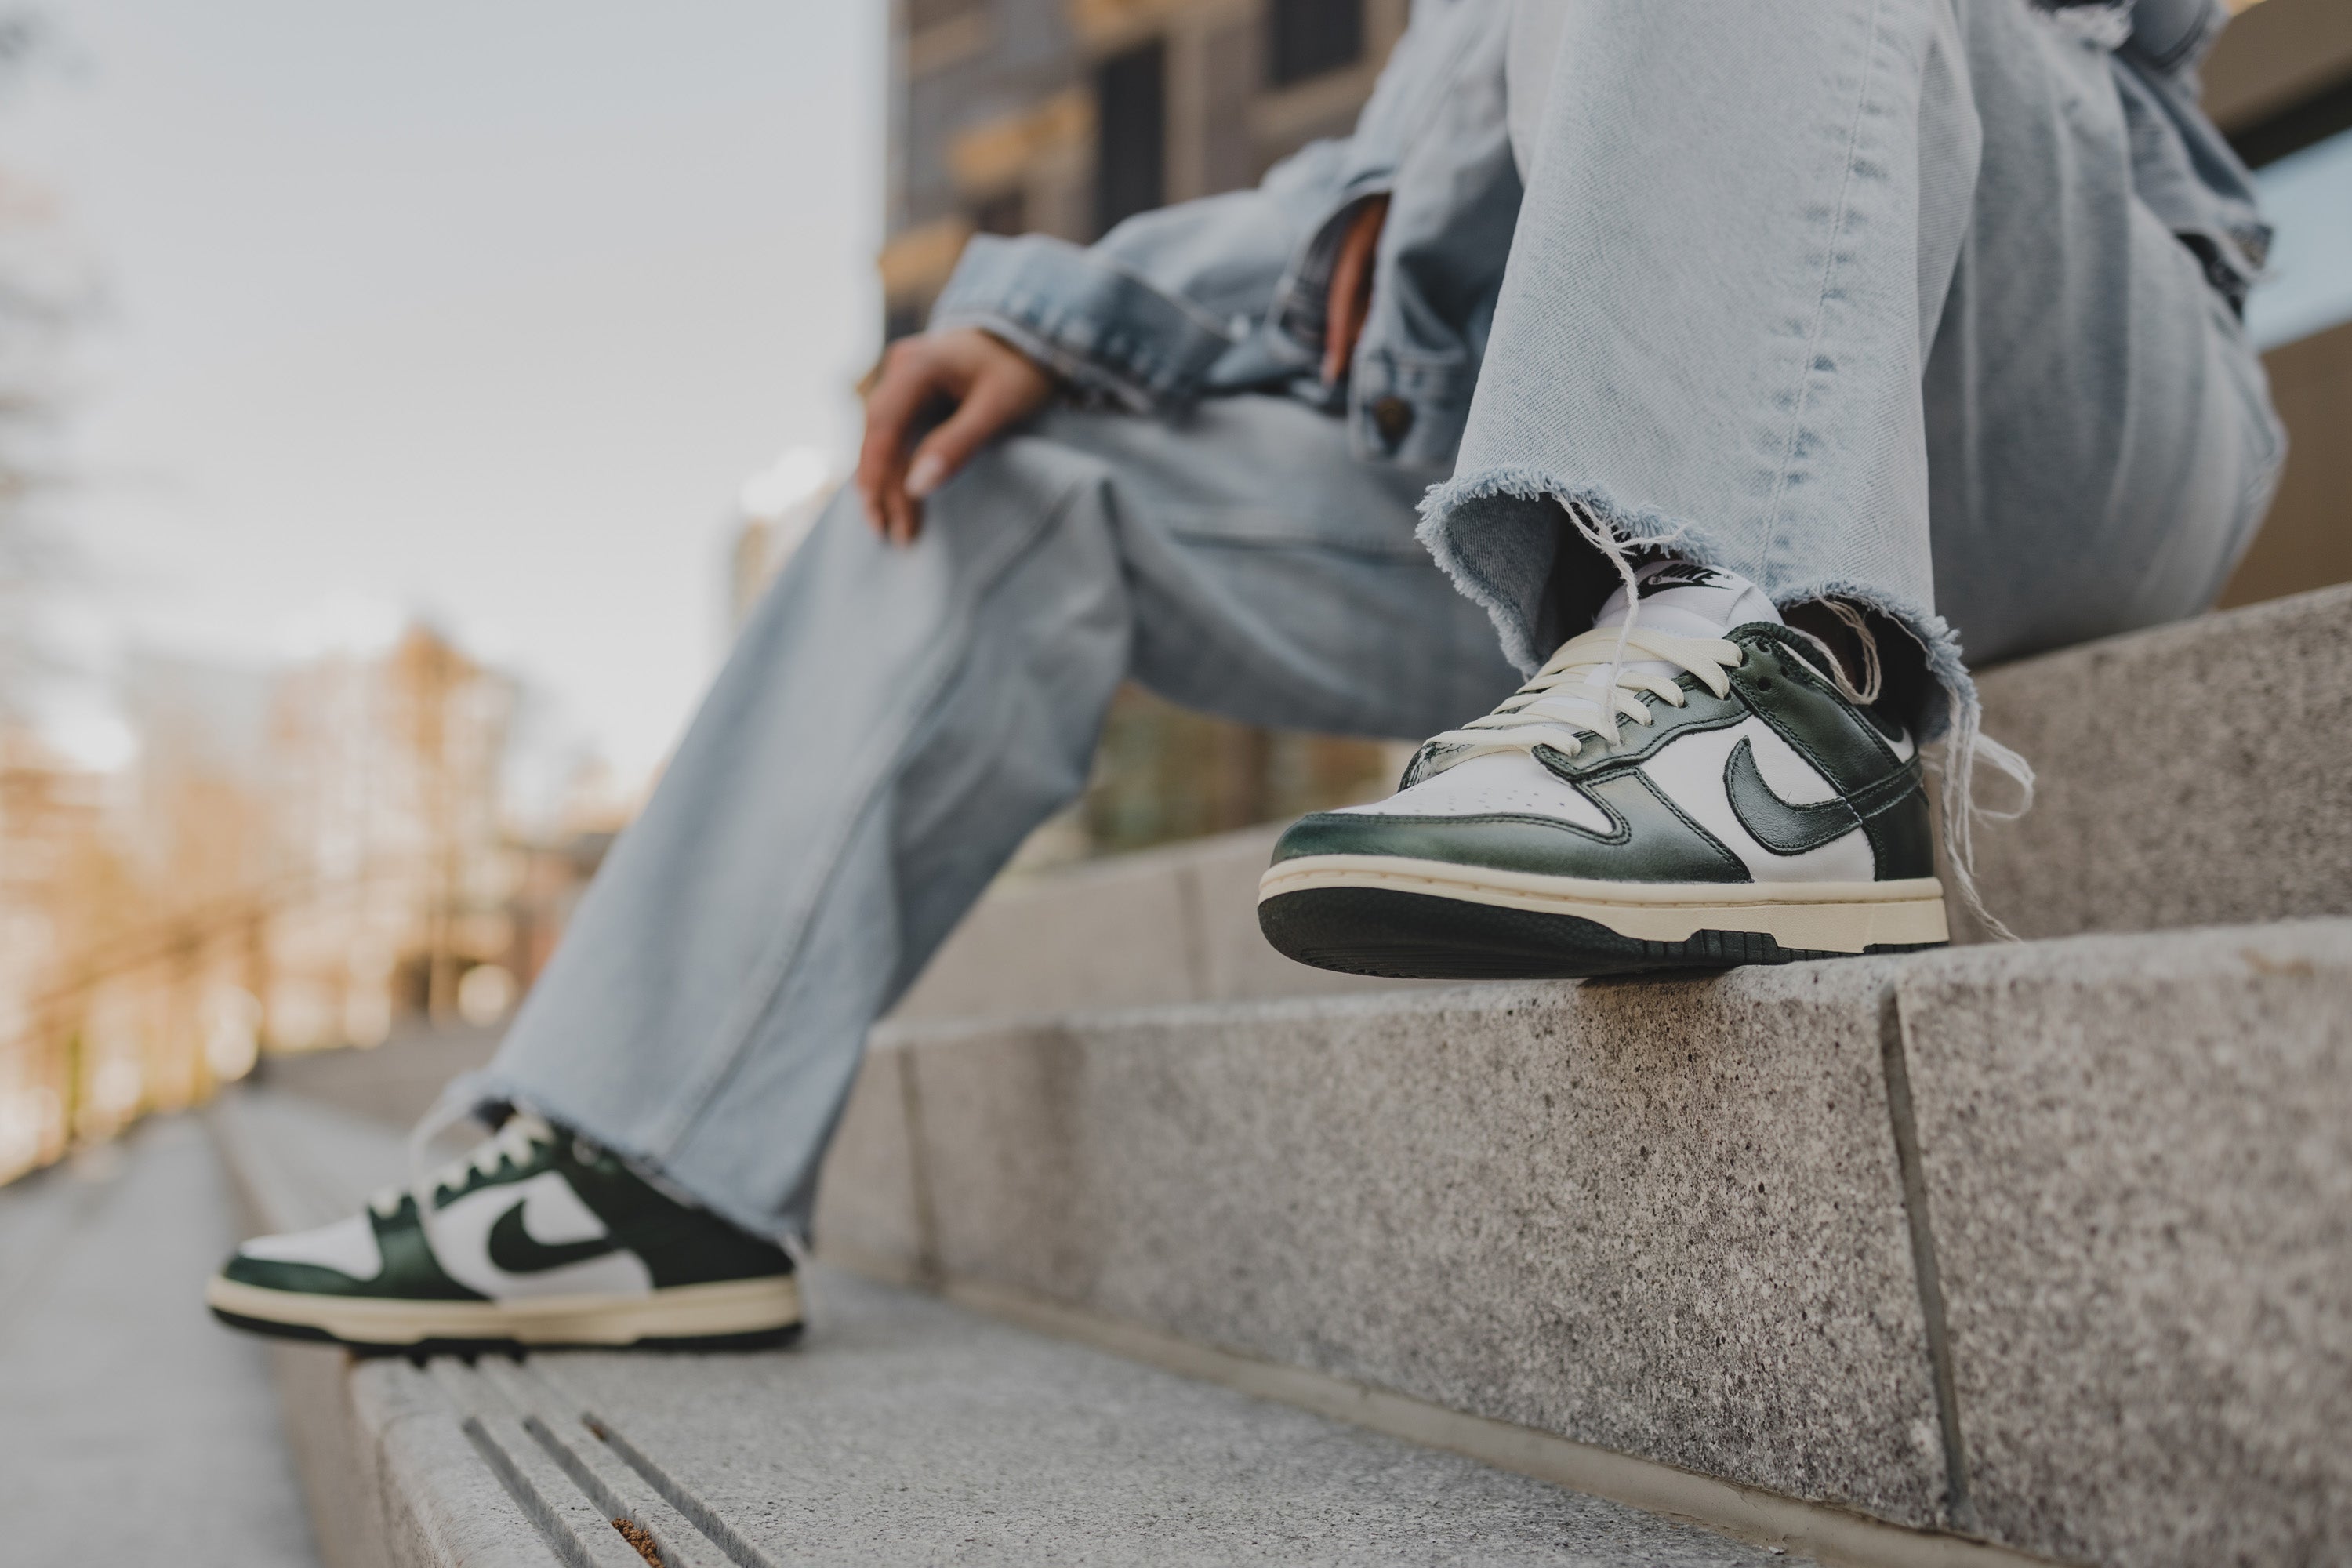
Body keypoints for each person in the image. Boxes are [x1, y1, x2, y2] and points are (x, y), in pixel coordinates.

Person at [206, 0, 2281, 1352]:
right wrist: (1071, 318)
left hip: (2049, 388)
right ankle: (628, 1166)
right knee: (1002, 470)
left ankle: (1773, 691)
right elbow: (1357, 209)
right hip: (1540, 481)